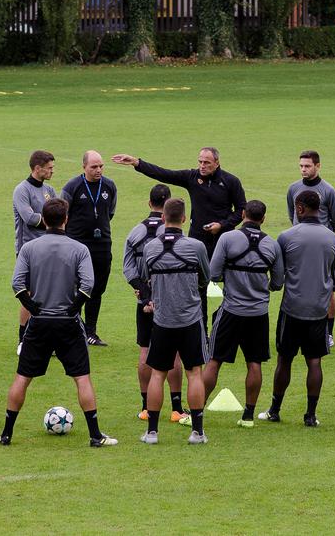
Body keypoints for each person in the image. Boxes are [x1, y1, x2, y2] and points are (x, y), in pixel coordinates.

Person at [1, 198, 118, 447]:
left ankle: (7, 434)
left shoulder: (30, 248)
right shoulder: (79, 249)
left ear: (43, 219)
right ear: (66, 219)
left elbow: (17, 284)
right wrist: (73, 308)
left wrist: (32, 307)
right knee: (82, 378)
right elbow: (88, 285)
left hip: (39, 322)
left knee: (22, 377)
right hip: (68, 322)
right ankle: (95, 435)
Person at [112, 147, 246, 320]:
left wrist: (222, 225)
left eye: (206, 162)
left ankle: (226, 324)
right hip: (197, 243)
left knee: (232, 285)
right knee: (198, 290)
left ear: (217, 162)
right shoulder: (192, 177)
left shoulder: (231, 181)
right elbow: (164, 174)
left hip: (224, 242)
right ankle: (201, 331)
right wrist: (137, 163)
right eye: (200, 162)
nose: (202, 166)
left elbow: (242, 209)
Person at [259, 189, 335, 427]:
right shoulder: (332, 238)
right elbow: (330, 272)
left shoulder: (286, 236)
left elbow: (280, 275)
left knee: (285, 359)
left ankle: (275, 409)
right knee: (314, 362)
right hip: (319, 308)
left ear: (300, 209)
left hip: (292, 307)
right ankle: (310, 415)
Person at [202, 200, 284, 427]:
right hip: (258, 313)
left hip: (231, 310)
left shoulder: (227, 238)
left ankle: (196, 411)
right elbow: (278, 282)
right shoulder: (272, 244)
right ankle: (248, 415)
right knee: (254, 362)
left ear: (244, 214)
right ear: (263, 219)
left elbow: (214, 273)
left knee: (214, 360)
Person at [137, 198, 211, 445]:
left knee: (158, 374)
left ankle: (152, 433)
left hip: (162, 321)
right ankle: (198, 432)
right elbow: (206, 277)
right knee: (194, 373)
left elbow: (145, 278)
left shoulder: (150, 248)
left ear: (163, 218)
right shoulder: (197, 246)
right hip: (190, 319)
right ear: (184, 218)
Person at [122, 184, 185, 422]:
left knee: (145, 350)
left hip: (144, 301)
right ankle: (177, 408)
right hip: (169, 301)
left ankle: (146, 407)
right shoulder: (174, 234)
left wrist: (143, 293)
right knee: (175, 354)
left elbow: (128, 269)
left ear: (149, 204)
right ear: (169, 204)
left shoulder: (134, 232)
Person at [61, 150, 118, 346]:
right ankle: (75, 328)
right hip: (77, 245)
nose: (98, 170)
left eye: (101, 166)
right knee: (76, 288)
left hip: (102, 244)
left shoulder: (109, 186)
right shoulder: (72, 187)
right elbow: (63, 215)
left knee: (97, 289)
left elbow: (109, 212)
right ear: (83, 167)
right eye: (94, 167)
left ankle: (91, 331)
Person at [287, 150, 335, 344]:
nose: (303, 169)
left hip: (322, 248)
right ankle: (297, 327)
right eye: (301, 166)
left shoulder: (328, 190)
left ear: (318, 166)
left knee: (328, 287)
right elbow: (292, 215)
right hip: (298, 247)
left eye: (307, 166)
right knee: (297, 284)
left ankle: (327, 332)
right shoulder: (293, 188)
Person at [13, 150, 57, 345]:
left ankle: (46, 337)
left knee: (50, 292)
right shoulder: (22, 190)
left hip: (51, 248)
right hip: (29, 251)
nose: (52, 171)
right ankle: (23, 338)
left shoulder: (50, 190)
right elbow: (30, 219)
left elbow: (59, 212)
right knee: (29, 293)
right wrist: (53, 222)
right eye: (49, 168)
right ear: (37, 168)